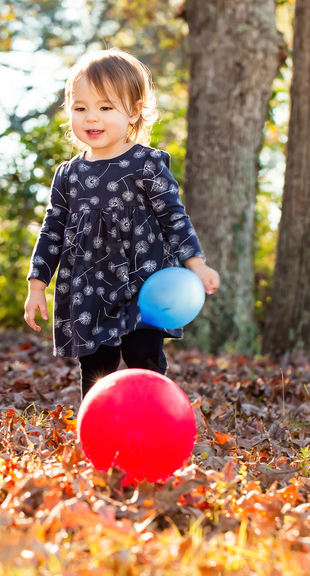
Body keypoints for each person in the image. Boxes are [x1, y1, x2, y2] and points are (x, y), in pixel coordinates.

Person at [23, 49, 220, 399]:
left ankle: (153, 419)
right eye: (80, 107)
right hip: (88, 287)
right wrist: (37, 285)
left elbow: (173, 217)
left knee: (143, 356)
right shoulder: (69, 175)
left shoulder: (146, 164)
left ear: (133, 111)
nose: (91, 117)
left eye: (105, 107)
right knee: (96, 367)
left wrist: (197, 264)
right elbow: (52, 230)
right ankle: (96, 432)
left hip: (143, 284)